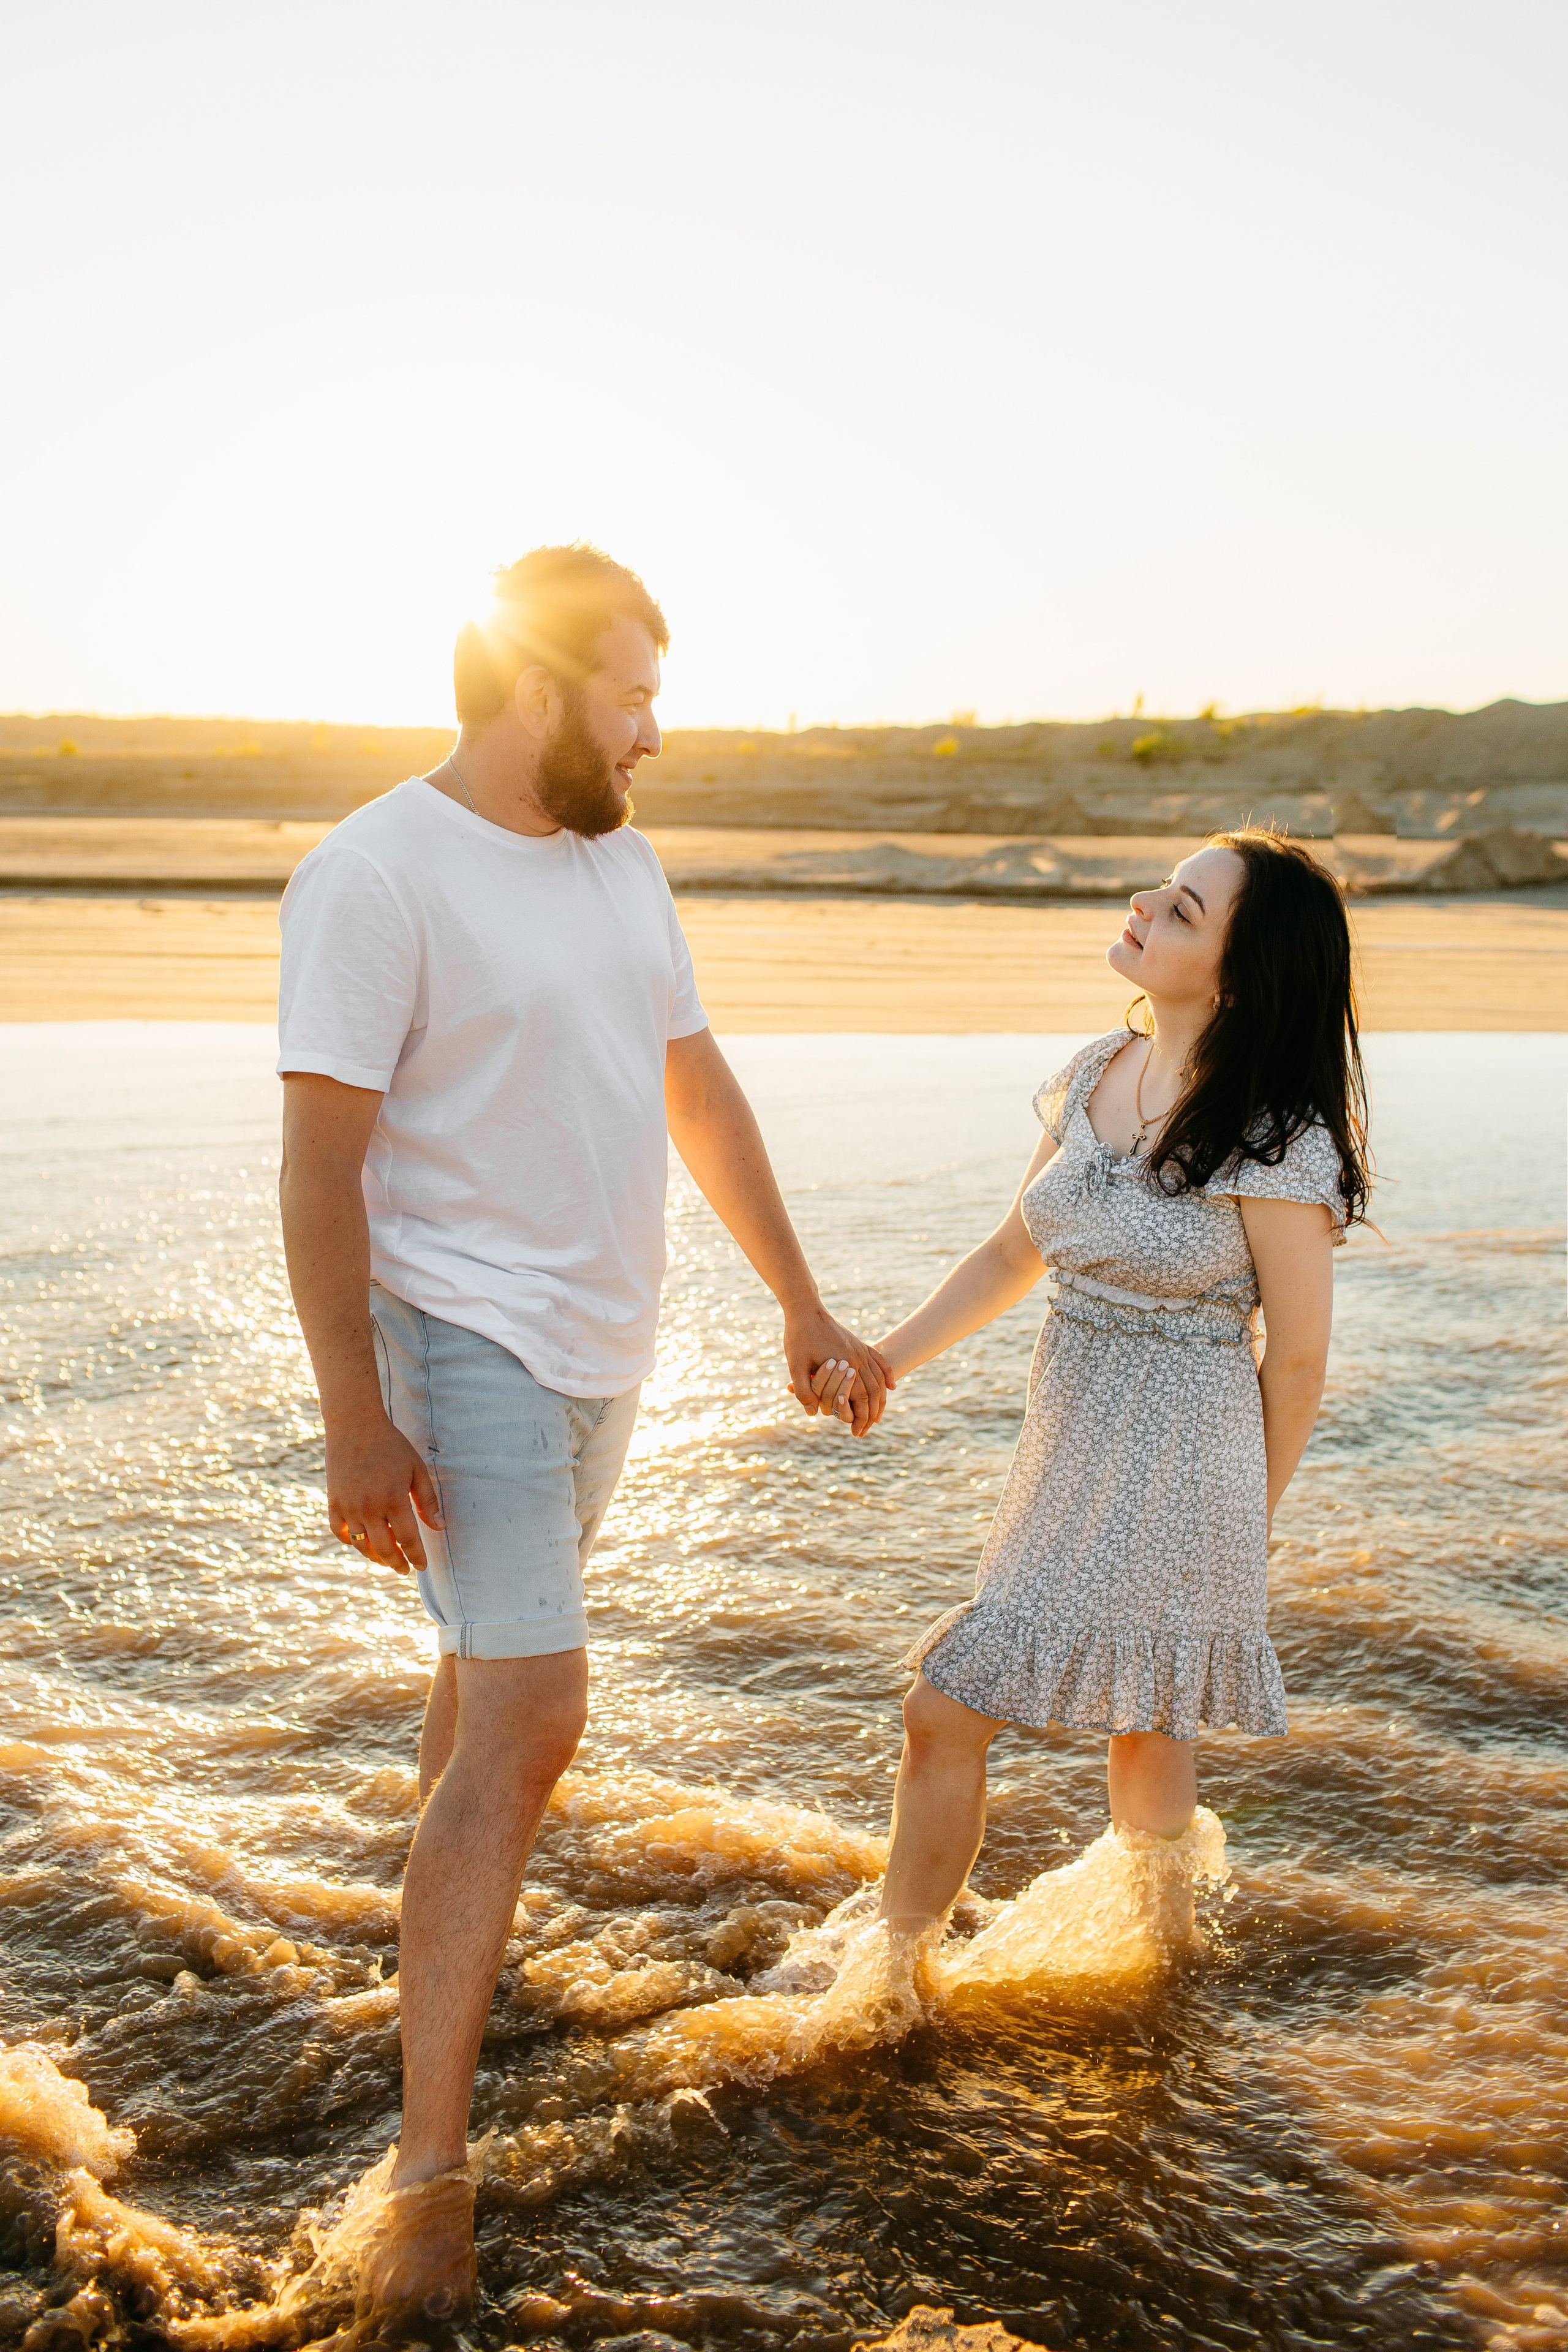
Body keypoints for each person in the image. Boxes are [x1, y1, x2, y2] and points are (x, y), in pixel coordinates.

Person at [276, 544, 886, 2333]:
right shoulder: (376, 871)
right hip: (461, 1332)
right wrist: (353, 1421)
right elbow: (319, 1167)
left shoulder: (622, 859)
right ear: (535, 688)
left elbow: (692, 1080)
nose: (654, 733)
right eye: (630, 695)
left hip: (611, 1347)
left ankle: (436, 1947)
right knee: (540, 1711)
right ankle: (428, 2183)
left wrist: (800, 1296)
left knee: (482, 1691)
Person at [811, 830, 1369, 1950]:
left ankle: (897, 1974)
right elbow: (1012, 1255)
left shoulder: (1275, 1136)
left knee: (959, 1704)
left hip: (1187, 1459)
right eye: (1161, 889)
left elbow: (1299, 1359)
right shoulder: (1090, 1075)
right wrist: (884, 1362)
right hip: (1070, 1444)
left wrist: (1236, 1527)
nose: (1142, 905)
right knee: (1144, 1730)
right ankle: (1141, 1962)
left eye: (1182, 910)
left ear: (1240, 970)